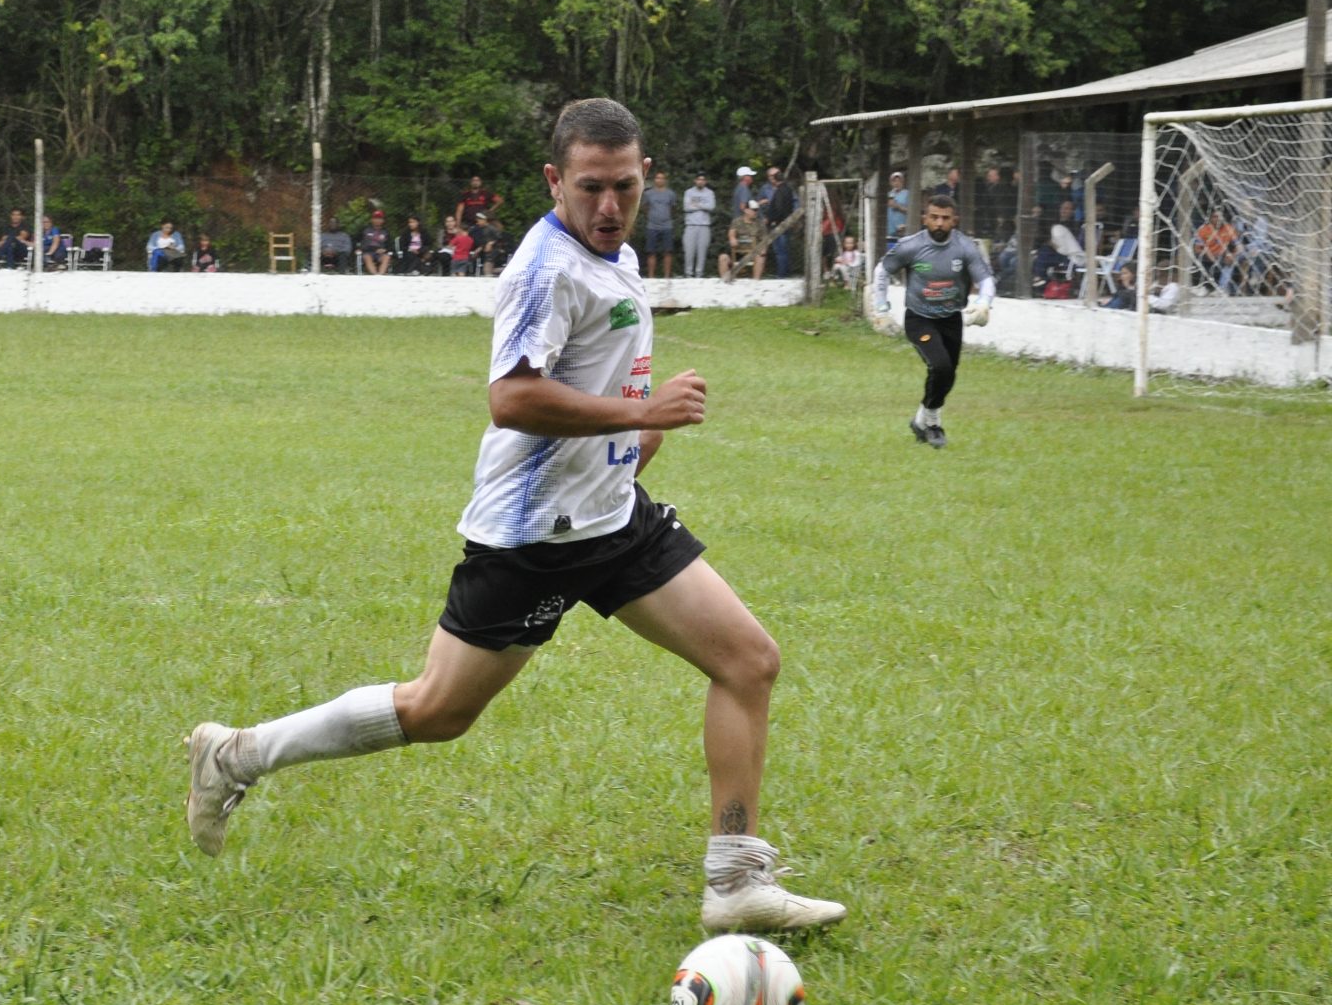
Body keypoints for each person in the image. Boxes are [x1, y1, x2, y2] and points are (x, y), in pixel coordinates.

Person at [181, 97, 845, 935]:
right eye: (591, 187)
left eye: (626, 187)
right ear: (553, 181)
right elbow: (513, 397)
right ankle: (236, 753)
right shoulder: (543, 271)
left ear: (647, 176)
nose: (610, 206)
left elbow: (601, 371)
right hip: (535, 539)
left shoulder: (615, 253)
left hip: (612, 519)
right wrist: (641, 415)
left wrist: (632, 443)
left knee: (749, 661)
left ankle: (736, 880)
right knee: (438, 712)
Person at [872, 193, 994, 449]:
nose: (939, 223)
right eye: (934, 217)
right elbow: (882, 271)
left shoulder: (965, 247)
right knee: (940, 366)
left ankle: (920, 421)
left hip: (951, 318)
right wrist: (881, 309)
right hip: (919, 319)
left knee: (948, 374)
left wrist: (984, 303)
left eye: (945, 218)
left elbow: (985, 279)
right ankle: (934, 424)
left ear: (954, 221)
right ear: (924, 218)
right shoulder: (910, 246)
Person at [640, 170, 677, 279]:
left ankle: (667, 276)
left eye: (662, 178)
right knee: (651, 252)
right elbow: (644, 207)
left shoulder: (671, 194)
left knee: (668, 251)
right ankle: (651, 276)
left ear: (665, 180)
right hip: (652, 226)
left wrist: (666, 216)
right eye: (657, 178)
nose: (659, 180)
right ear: (654, 180)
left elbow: (673, 208)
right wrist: (651, 216)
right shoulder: (648, 193)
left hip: (667, 226)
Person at [718, 199, 764, 281]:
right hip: (738, 253)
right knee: (723, 257)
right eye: (754, 210)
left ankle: (756, 282)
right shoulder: (737, 221)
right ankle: (724, 282)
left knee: (760, 257)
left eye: (757, 210)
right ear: (746, 210)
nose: (756, 212)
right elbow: (731, 233)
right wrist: (732, 238)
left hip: (753, 254)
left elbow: (764, 240)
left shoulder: (760, 223)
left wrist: (763, 250)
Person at [764, 169, 798, 277]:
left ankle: (781, 274)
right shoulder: (788, 189)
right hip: (786, 222)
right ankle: (786, 272)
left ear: (774, 179)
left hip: (779, 224)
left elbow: (778, 208)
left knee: (780, 250)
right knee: (785, 249)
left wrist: (772, 220)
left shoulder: (779, 191)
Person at [681, 171, 715, 278]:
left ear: (705, 181)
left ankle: (699, 274)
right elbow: (687, 207)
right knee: (689, 251)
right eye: (699, 179)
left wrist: (697, 205)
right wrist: (703, 206)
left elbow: (711, 207)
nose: (700, 181)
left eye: (703, 180)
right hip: (690, 225)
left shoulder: (709, 193)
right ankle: (688, 273)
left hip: (704, 226)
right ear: (695, 181)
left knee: (702, 251)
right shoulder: (689, 192)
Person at [468, 211, 504, 275]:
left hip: (493, 252)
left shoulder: (492, 228)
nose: (477, 223)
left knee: (486, 270)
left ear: (484, 220)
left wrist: (491, 243)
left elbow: (499, 238)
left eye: (479, 221)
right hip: (487, 253)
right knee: (487, 270)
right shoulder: (482, 229)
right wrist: (480, 248)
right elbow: (484, 241)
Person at [358, 209, 391, 275]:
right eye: (375, 218)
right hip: (368, 252)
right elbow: (356, 240)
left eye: (379, 218)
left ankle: (380, 275)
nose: (377, 220)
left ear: (383, 220)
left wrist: (385, 250)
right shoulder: (365, 230)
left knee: (386, 257)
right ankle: (375, 275)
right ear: (372, 220)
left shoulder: (386, 232)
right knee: (367, 257)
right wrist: (357, 248)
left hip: (380, 253)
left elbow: (390, 245)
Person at [886, 171, 908, 242]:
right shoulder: (888, 195)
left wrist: (898, 206)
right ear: (891, 183)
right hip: (890, 229)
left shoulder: (907, 194)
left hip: (902, 229)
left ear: (903, 182)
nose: (897, 183)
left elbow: (912, 211)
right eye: (894, 181)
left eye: (899, 181)